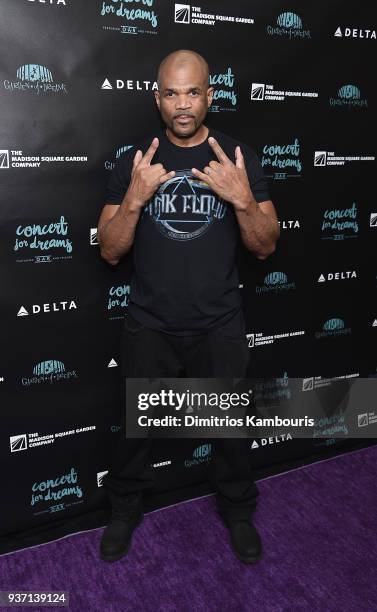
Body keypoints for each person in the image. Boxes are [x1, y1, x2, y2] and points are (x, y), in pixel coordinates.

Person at [97, 50, 280, 565]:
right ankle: (124, 508)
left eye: (193, 92)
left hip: (218, 322)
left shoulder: (236, 157)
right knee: (136, 429)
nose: (183, 105)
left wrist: (242, 199)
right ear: (158, 98)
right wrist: (134, 197)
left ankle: (238, 510)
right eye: (172, 93)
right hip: (149, 323)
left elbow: (265, 246)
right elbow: (110, 250)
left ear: (209, 96)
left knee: (229, 430)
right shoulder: (134, 161)